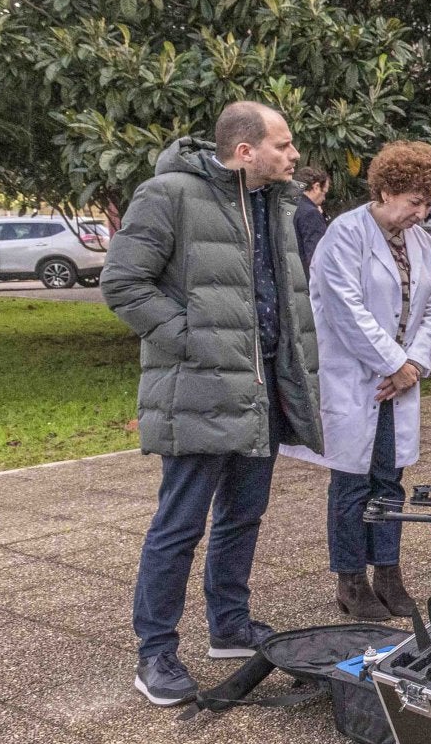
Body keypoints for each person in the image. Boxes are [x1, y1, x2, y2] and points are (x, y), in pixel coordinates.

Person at [102, 102, 323, 706]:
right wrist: (194, 341)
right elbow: (123, 284)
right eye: (284, 144)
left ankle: (229, 627)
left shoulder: (276, 204)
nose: (294, 154)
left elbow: (280, 295)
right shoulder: (168, 193)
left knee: (242, 517)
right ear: (245, 150)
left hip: (262, 393)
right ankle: (156, 654)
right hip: (199, 392)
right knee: (178, 525)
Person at [283, 142, 431, 620]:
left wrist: (413, 366)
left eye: (427, 204)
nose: (421, 214)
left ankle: (389, 574)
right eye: (414, 202)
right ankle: (351, 581)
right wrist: (392, 364)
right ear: (384, 190)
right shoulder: (344, 234)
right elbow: (344, 309)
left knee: (390, 481)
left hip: (399, 382)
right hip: (355, 378)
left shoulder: (420, 242)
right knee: (352, 482)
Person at [293, 166, 330, 274]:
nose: (324, 199)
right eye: (324, 193)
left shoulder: (286, 206)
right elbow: (317, 256)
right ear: (316, 187)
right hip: (306, 280)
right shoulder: (311, 214)